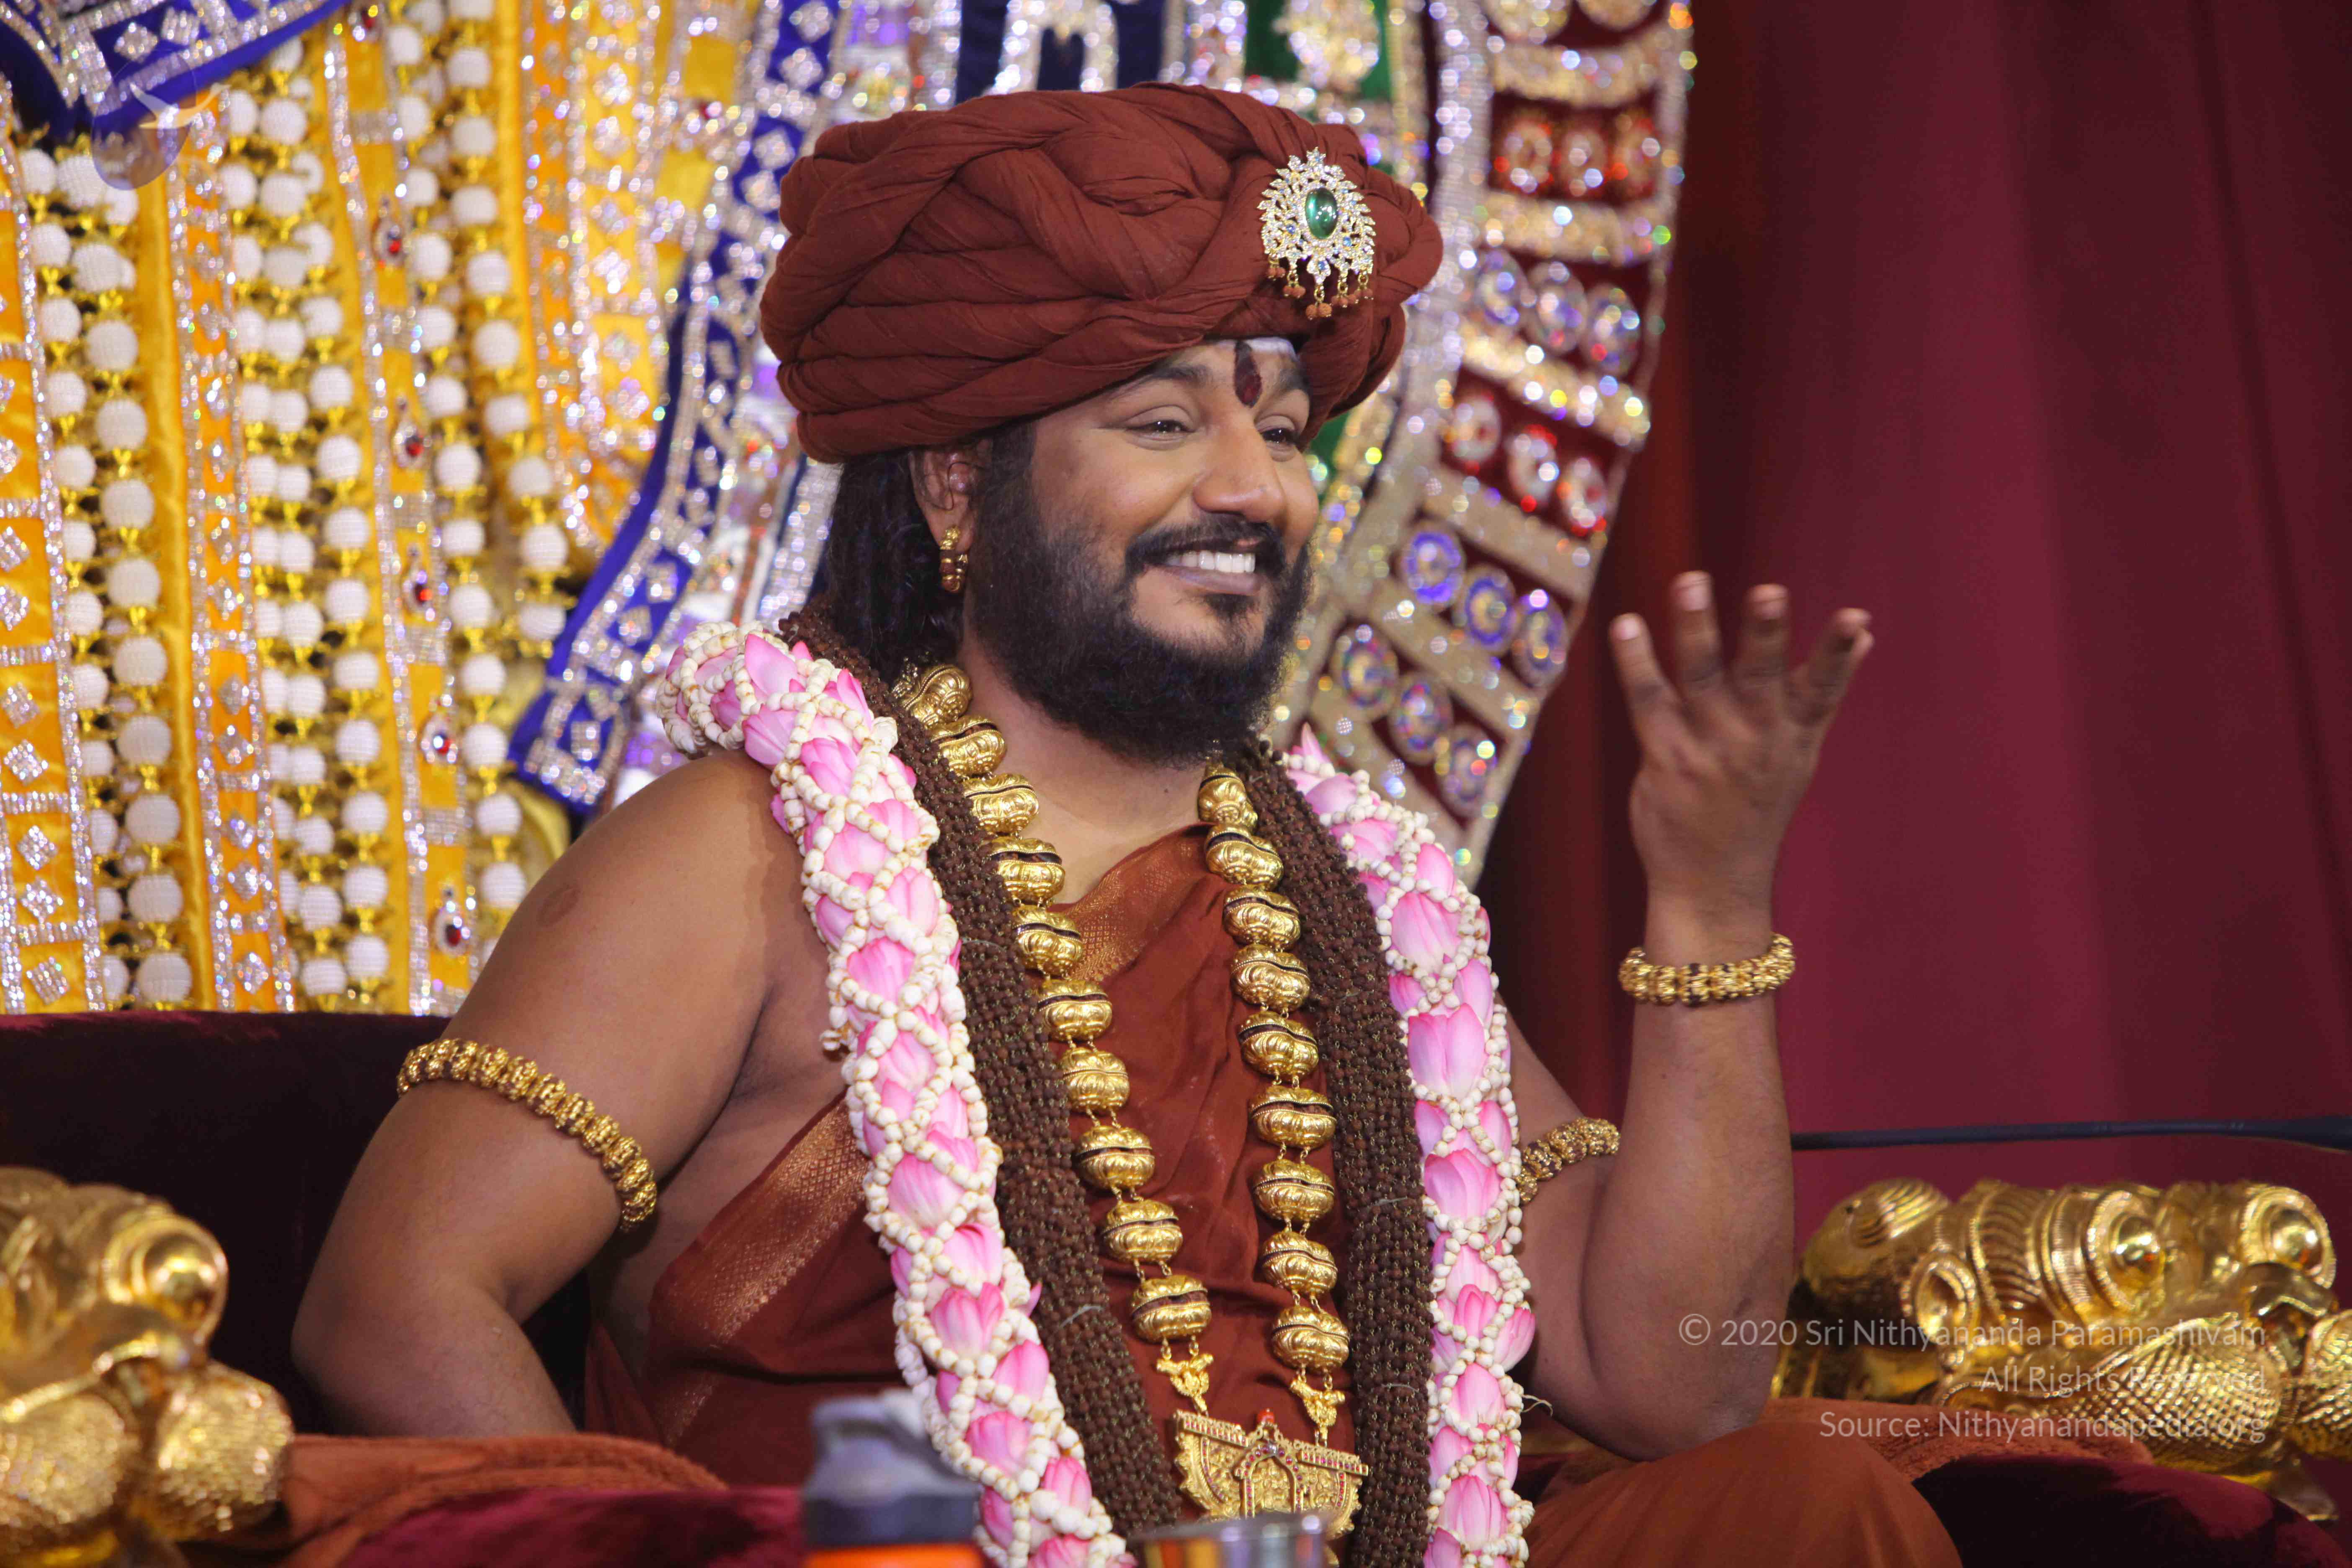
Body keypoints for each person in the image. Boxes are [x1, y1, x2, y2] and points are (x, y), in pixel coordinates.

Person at [294, 83, 1954, 1566]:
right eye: (1166, 424)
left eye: (1284, 430)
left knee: (1807, 1508)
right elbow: (396, 1301)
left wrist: (1710, 897)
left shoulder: (1363, 907)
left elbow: (1675, 1387)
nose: (1254, 486)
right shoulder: (750, 849)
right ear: (957, 485)